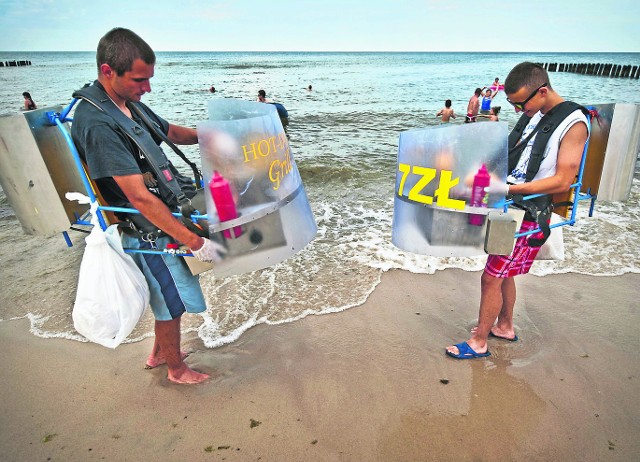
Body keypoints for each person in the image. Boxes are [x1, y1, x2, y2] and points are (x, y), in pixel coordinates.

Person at [71, 28, 226, 384]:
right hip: (145, 228)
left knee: (169, 290)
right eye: (140, 79)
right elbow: (139, 197)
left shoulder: (127, 102)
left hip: (164, 210)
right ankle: (176, 370)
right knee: (169, 299)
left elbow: (169, 132)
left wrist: (214, 134)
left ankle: (159, 354)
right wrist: (195, 241)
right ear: (108, 71)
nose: (147, 88)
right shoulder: (96, 122)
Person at [446, 61, 589, 359]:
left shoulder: (574, 123)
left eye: (520, 104)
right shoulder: (536, 113)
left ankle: (479, 343)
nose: (516, 110)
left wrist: (508, 190)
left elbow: (562, 179)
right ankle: (505, 326)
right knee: (503, 273)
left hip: (529, 211)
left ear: (543, 91)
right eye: (512, 103)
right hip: (510, 205)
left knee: (491, 277)